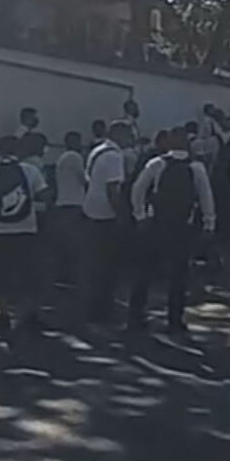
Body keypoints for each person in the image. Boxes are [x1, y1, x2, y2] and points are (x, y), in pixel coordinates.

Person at [127, 130, 215, 334]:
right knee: (178, 277)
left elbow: (137, 190)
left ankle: (135, 317)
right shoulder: (196, 168)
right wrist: (209, 224)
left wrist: (140, 216)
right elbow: (206, 198)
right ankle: (175, 320)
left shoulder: (157, 164)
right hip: (182, 227)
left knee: (144, 273)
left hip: (156, 225)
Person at [0, 135, 48, 332]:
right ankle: (28, 314)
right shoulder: (30, 171)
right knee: (28, 273)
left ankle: (3, 312)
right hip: (25, 229)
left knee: (1, 273)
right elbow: (44, 195)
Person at [81, 120, 135, 325]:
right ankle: (104, 312)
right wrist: (122, 215)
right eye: (128, 134)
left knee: (93, 265)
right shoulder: (114, 156)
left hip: (90, 210)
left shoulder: (97, 151)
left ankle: (90, 309)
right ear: (119, 134)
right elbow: (113, 191)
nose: (130, 138)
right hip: (106, 215)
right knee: (108, 268)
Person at [50, 130, 88, 289]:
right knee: (75, 243)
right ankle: (73, 275)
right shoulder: (75, 157)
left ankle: (61, 274)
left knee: (64, 242)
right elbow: (84, 179)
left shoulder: (62, 158)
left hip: (62, 203)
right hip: (75, 203)